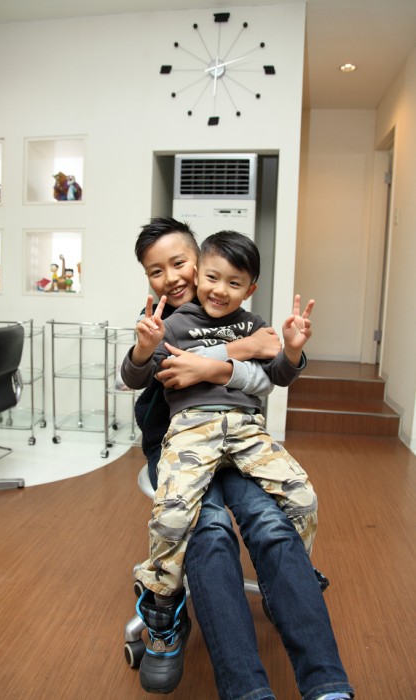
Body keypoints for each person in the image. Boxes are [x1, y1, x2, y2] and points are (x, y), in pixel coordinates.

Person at [126, 217, 353, 700]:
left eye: (180, 264)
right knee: (203, 528)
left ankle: (299, 603)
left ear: (200, 260)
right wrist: (230, 354)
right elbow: (150, 371)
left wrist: (227, 361)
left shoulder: (249, 320)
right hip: (184, 439)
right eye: (156, 271)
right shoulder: (163, 321)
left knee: (283, 514)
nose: (172, 278)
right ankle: (164, 609)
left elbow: (269, 376)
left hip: (244, 435)